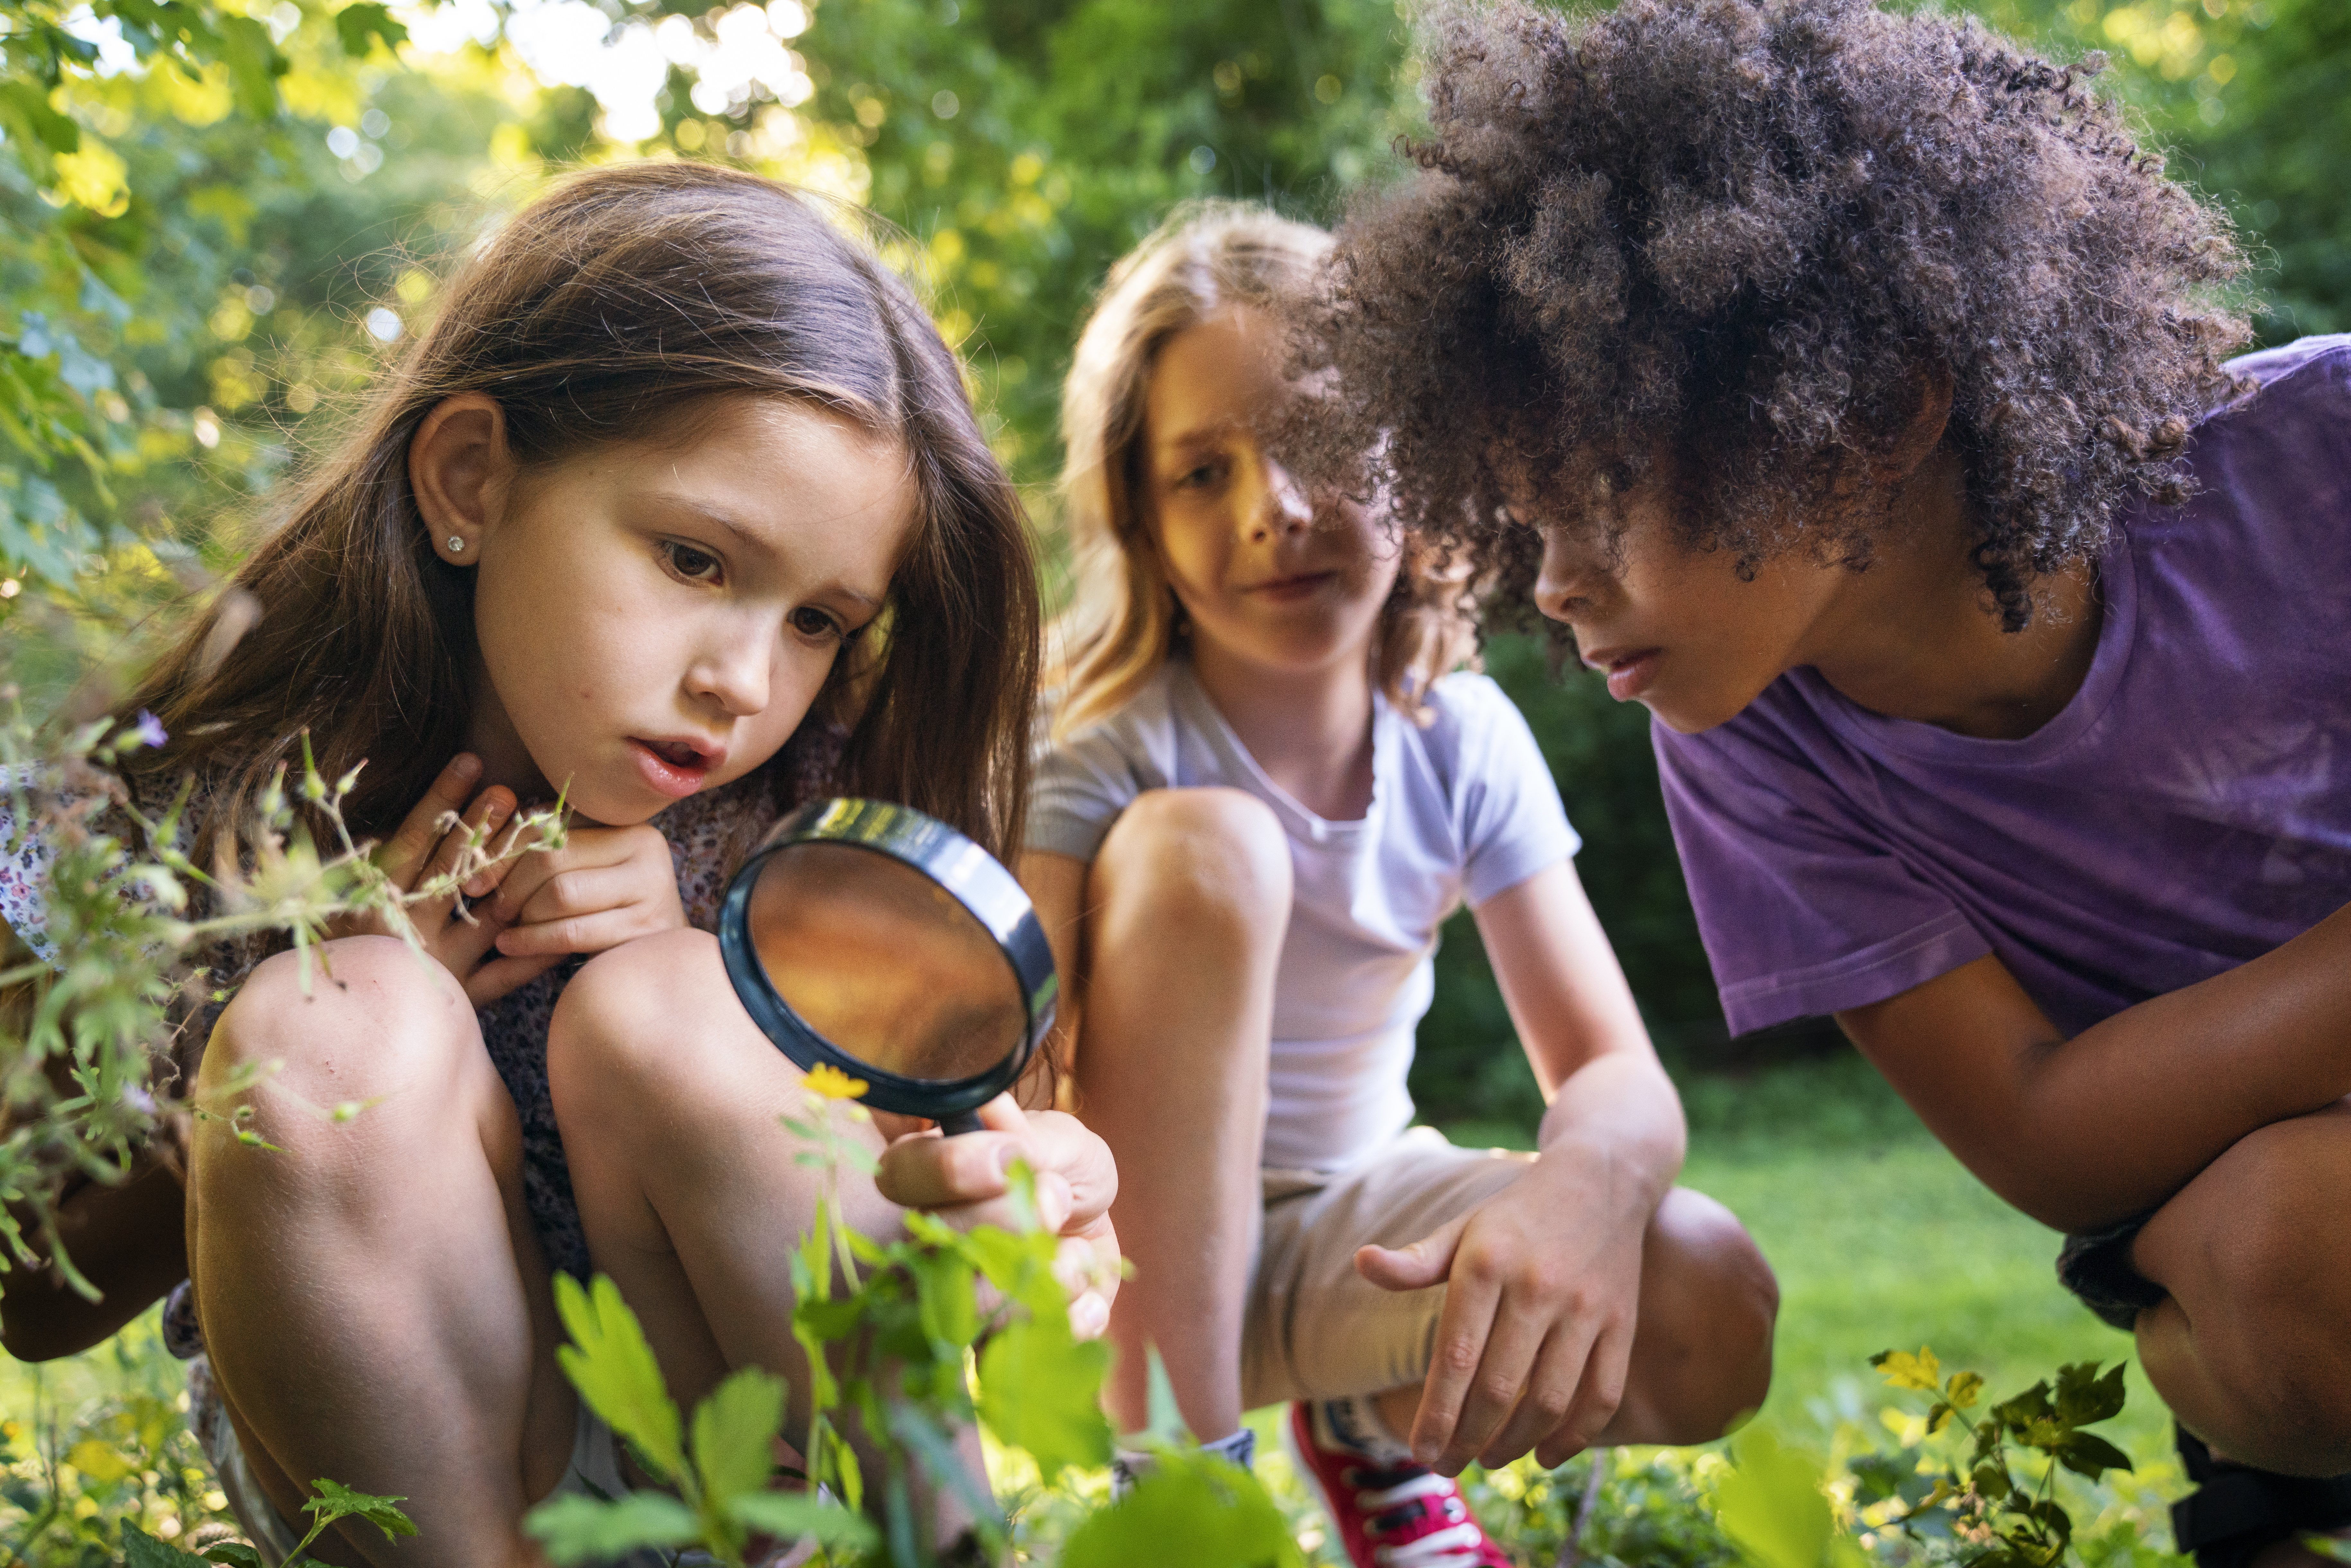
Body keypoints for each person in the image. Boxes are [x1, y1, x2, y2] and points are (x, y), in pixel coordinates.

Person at [1298, 2, 2351, 1564]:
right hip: (2246, 1225)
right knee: (2296, 1246)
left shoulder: (2315, 456)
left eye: (1594, 501)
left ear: (1869, 408)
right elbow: (2038, 1133)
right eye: (1525, 524)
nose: (1558, 586)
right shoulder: (1743, 747)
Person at [0, 163, 1118, 1567]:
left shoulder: (814, 815)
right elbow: (29, 1296)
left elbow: (951, 1167)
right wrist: (279, 1020)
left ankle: (944, 1549)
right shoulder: (197, 802)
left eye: (821, 621)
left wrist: (1022, 1203)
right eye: (697, 561)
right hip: (410, 1463)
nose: (742, 679)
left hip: (752, 1459)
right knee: (329, 1021)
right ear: (471, 479)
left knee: (662, 1003)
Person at [1021, 204, 1778, 1568]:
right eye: (1201, 472)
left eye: (1315, 438)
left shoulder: (1459, 732)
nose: (1274, 509)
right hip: (1122, 1271)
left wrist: (1577, 1191)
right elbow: (1013, 1076)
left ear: (1410, 453)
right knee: (1211, 846)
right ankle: (1179, 1484)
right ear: (1134, 514)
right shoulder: (1100, 740)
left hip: (1347, 1243)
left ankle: (1370, 1424)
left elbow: (1615, 1070)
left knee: (1707, 1291)